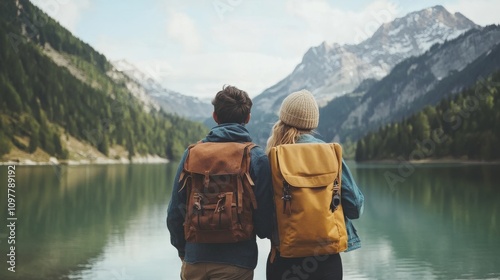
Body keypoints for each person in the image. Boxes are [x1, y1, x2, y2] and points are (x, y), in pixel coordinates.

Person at [167, 85, 274, 280]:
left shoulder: (192, 154)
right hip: (237, 263)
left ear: (215, 116)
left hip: (194, 262)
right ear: (248, 118)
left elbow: (175, 213)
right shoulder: (256, 157)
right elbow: (265, 223)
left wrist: (186, 252)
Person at [265, 89, 365, 280]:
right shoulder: (331, 154)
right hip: (326, 260)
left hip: (284, 257)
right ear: (313, 123)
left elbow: (263, 213)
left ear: (283, 118)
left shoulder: (272, 157)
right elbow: (355, 208)